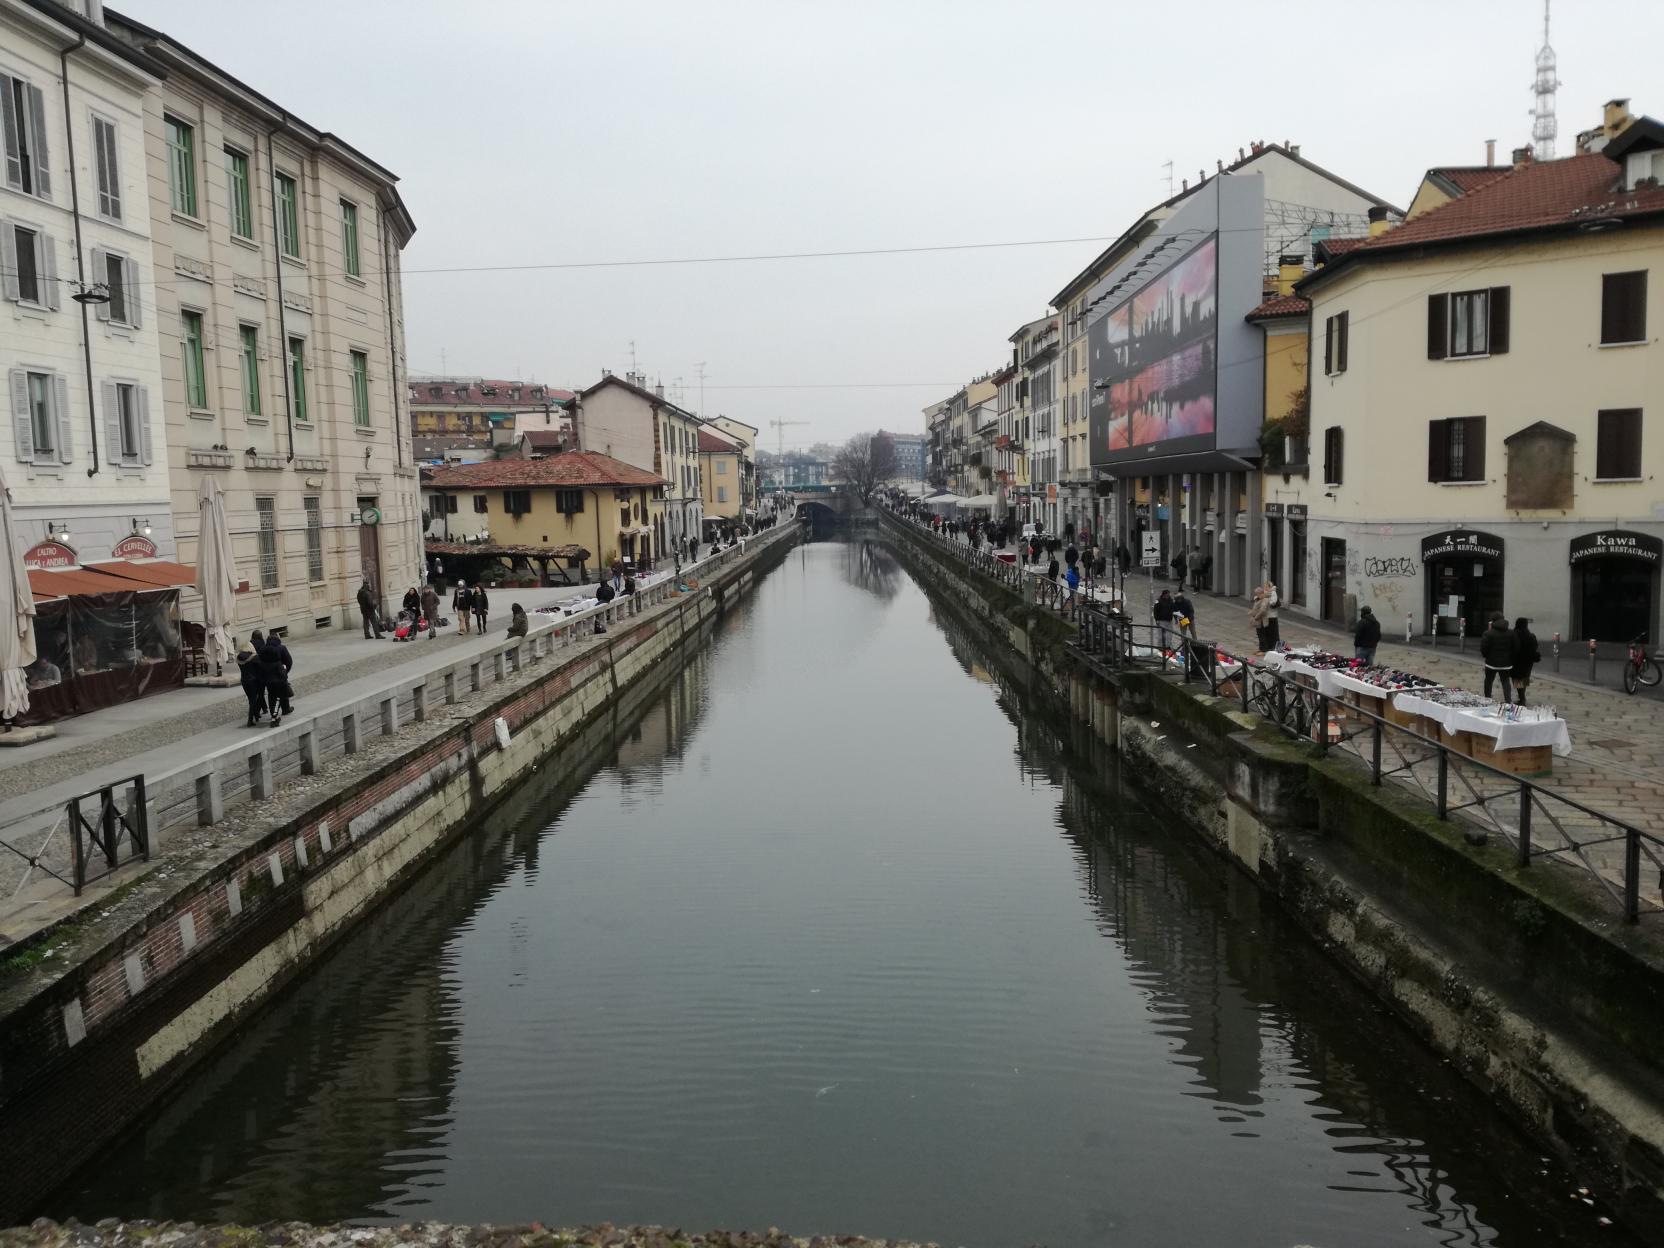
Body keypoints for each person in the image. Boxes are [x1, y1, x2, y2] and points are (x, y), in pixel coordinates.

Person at [1480, 613, 1517, 702]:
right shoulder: (1511, 633)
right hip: (1506, 663)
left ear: (1492, 621)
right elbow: (1516, 647)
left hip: (1491, 663)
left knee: (1488, 681)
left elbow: (1484, 648)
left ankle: (1487, 698)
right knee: (1505, 681)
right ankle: (1508, 700)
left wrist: (1486, 656)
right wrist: (1511, 658)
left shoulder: (1488, 633)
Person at [257, 631, 292, 726]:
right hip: (279, 679)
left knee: (272, 697)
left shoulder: (263, 652)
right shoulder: (279, 654)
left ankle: (274, 714)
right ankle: (279, 714)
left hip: (268, 680)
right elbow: (289, 661)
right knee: (280, 696)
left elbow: (259, 668)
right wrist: (285, 672)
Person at [1512, 616, 1542, 705]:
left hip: (1516, 660)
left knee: (1517, 679)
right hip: (1528, 661)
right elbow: (1535, 646)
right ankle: (1522, 697)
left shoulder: (1514, 634)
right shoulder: (1530, 636)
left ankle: (1521, 697)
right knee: (1524, 677)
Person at [237, 641, 265, 726]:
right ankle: (250, 720)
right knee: (254, 699)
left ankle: (256, 715)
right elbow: (261, 668)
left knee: (251, 699)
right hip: (254, 680)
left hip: (244, 680)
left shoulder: (239, 658)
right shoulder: (254, 657)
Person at [1261, 580, 1282, 649]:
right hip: (1266, 616)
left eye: (1266, 586)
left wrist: (1267, 601)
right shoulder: (1265, 593)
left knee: (1274, 631)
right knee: (1267, 631)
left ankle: (1275, 646)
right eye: (1264, 586)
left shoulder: (1273, 593)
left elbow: (1273, 602)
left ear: (1269, 586)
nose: (1265, 588)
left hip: (1272, 616)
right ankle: (1269, 645)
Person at [1249, 585, 1270, 652]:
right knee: (1259, 634)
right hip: (1258, 620)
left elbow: (1263, 611)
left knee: (1262, 635)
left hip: (1261, 620)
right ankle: (1261, 648)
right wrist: (1252, 612)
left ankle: (1264, 649)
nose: (1256, 595)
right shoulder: (1258, 599)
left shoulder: (1265, 600)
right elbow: (1256, 607)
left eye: (1257, 594)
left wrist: (1256, 617)